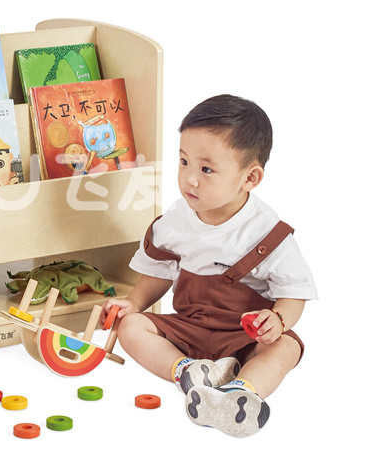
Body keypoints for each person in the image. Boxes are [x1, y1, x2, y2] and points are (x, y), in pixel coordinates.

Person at [101, 94, 317, 437]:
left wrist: (277, 320)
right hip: (189, 330)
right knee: (131, 327)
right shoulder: (176, 219)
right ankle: (187, 371)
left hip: (243, 339)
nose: (190, 178)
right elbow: (159, 274)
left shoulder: (266, 231)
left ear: (250, 178)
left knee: (286, 347)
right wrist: (134, 303)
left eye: (206, 169)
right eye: (183, 161)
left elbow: (294, 292)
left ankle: (240, 392)